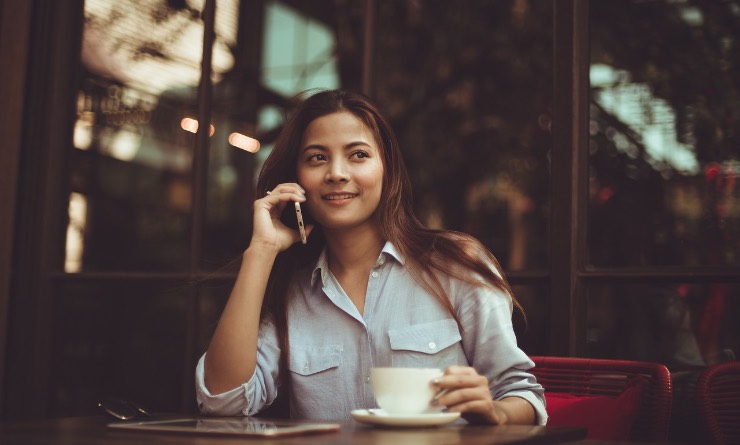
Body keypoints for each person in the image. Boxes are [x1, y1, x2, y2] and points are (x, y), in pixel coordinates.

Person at [195, 89, 547, 425]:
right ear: (297, 179)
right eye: (317, 157)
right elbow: (222, 401)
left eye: (358, 155)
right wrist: (260, 252)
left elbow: (522, 395)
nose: (336, 173)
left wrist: (495, 413)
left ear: (386, 169)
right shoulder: (290, 293)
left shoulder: (454, 265)